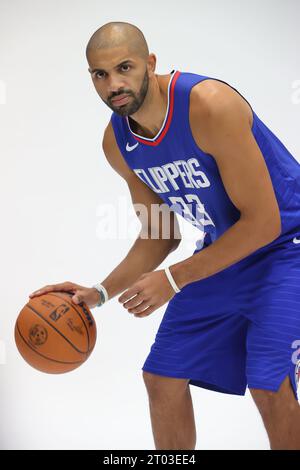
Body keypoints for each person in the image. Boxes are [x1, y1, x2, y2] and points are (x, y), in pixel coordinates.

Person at [29, 21, 300, 450]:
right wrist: (98, 293)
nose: (114, 84)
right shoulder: (117, 143)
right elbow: (159, 234)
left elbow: (264, 223)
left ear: (150, 64)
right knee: (162, 376)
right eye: (100, 74)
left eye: (124, 67)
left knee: (268, 380)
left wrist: (174, 280)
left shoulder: (209, 105)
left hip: (289, 248)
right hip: (228, 251)